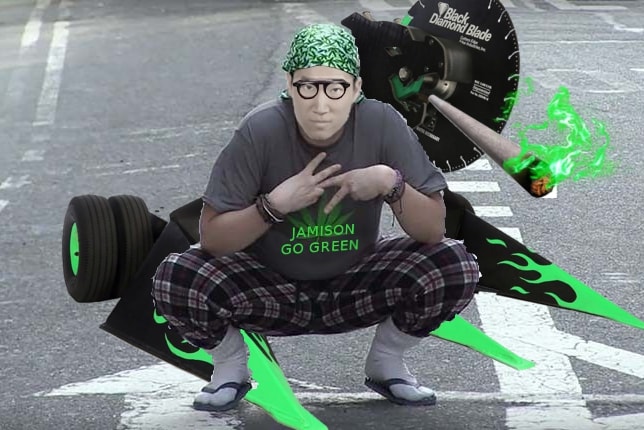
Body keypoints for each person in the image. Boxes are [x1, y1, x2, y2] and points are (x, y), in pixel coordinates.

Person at [152, 23, 479, 412]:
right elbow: (212, 238)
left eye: (335, 87)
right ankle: (230, 367)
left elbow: (433, 229)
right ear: (289, 86)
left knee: (454, 264)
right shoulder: (260, 129)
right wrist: (272, 206)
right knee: (177, 276)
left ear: (356, 88)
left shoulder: (382, 123)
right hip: (269, 288)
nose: (321, 104)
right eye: (308, 87)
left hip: (355, 283)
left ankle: (387, 361)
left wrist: (389, 183)